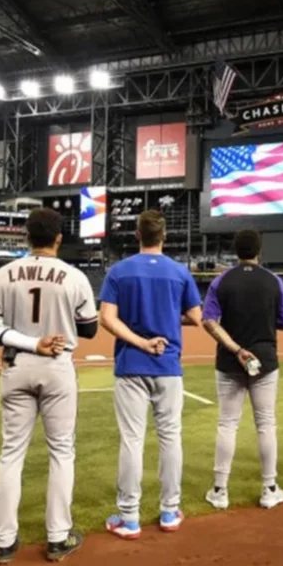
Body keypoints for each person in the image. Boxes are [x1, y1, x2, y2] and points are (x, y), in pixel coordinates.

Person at [0, 208, 96, 564]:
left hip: (16, 364)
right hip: (57, 367)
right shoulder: (73, 276)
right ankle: (58, 537)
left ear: (27, 237)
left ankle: (4, 541)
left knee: (11, 452)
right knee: (61, 451)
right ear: (59, 238)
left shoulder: (3, 274)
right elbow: (89, 328)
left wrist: (25, 338)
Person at [99, 210, 202, 539]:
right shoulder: (179, 271)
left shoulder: (119, 271)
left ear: (136, 235)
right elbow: (196, 317)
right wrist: (169, 322)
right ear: (165, 236)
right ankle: (170, 512)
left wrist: (141, 341)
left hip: (131, 363)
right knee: (170, 437)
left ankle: (129, 518)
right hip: (168, 365)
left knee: (132, 440)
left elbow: (107, 320)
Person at [201, 230, 283, 510]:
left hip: (230, 360)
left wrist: (236, 348)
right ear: (259, 251)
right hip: (265, 359)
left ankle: (220, 491)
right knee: (266, 424)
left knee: (227, 423)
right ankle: (269, 488)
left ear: (234, 250)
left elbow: (208, 321)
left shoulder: (222, 280)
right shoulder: (273, 280)